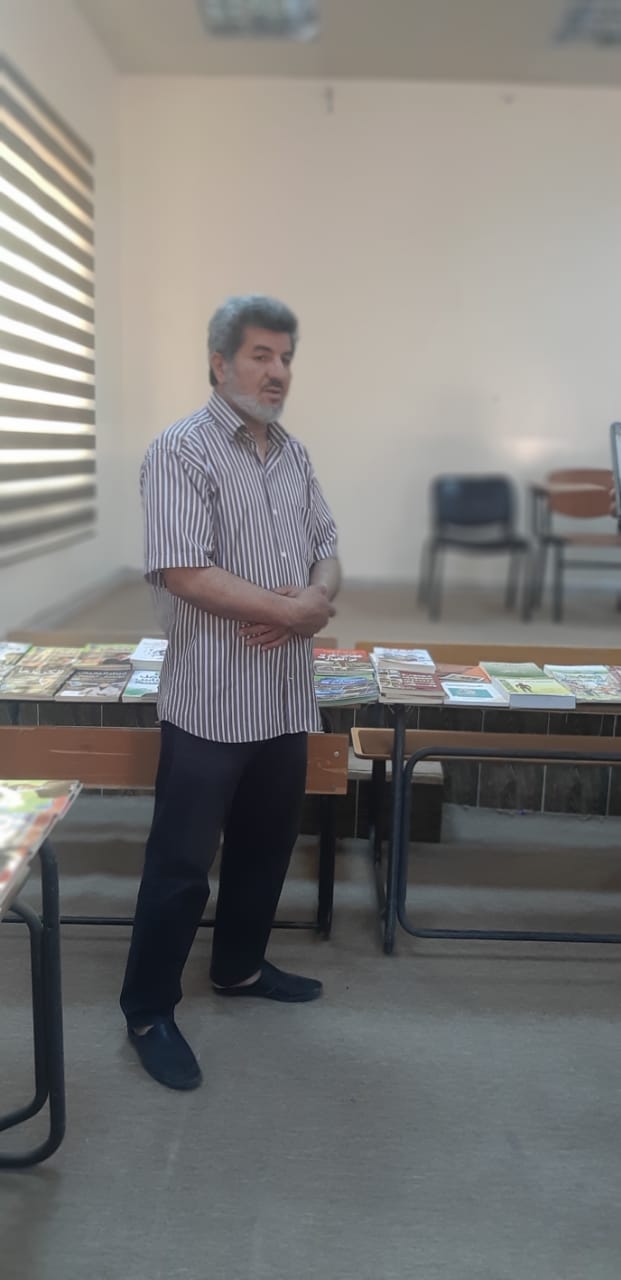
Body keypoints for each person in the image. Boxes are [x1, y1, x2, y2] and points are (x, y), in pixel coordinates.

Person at [120, 296, 340, 1090]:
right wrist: (290, 612)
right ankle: (148, 1009)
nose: (277, 372)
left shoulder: (293, 454)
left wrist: (316, 597)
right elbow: (184, 570)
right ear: (220, 363)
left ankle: (238, 968)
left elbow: (327, 546)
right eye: (260, 355)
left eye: (285, 357)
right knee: (181, 865)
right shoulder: (181, 450)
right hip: (211, 699)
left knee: (264, 846)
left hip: (282, 696)